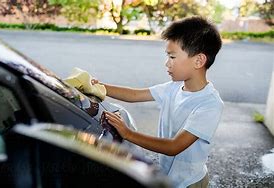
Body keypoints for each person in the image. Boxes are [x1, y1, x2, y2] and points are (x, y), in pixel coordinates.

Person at [92, 16, 224, 188]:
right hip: (168, 176)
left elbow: (174, 146)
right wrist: (98, 87)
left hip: (189, 182)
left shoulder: (209, 104)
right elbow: (134, 95)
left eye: (172, 57)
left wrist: (128, 133)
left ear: (198, 60)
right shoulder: (173, 88)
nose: (166, 63)